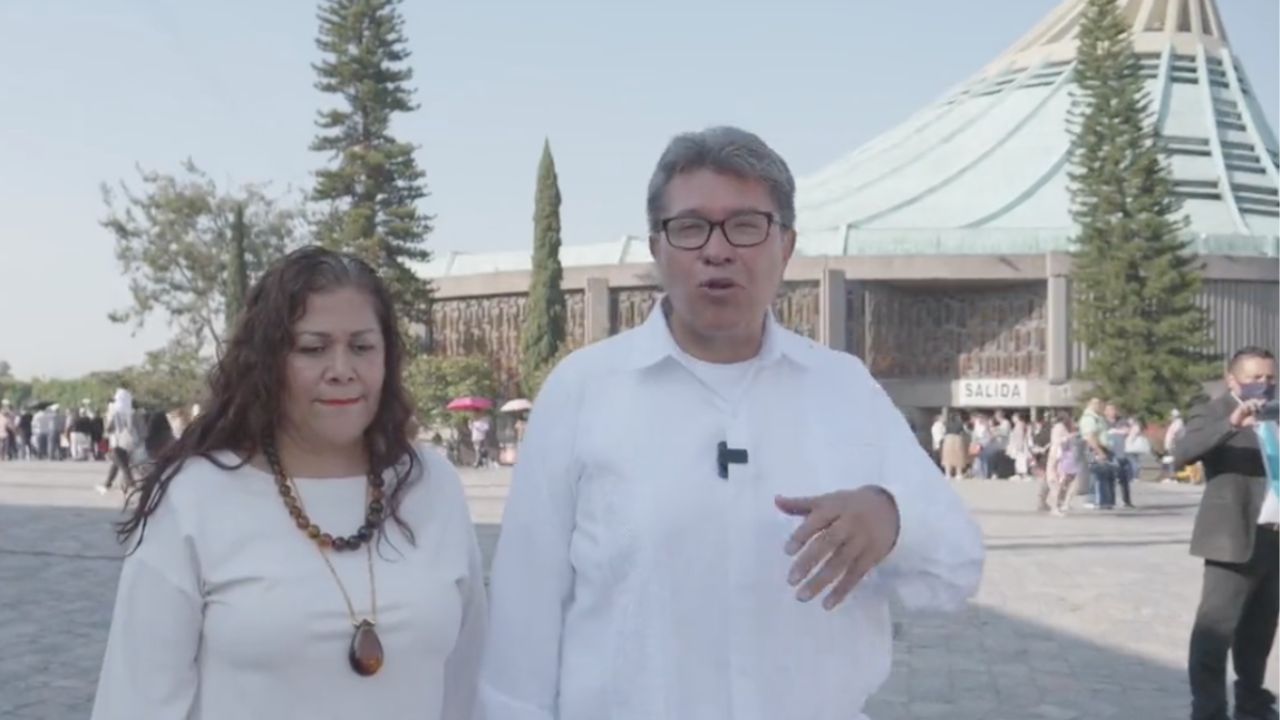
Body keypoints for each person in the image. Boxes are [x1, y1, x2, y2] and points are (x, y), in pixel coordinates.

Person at [477, 126, 984, 720]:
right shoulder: (584, 390)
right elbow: (524, 616)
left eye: (746, 225)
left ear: (786, 245)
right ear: (657, 248)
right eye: (691, 227)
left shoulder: (843, 388)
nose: (717, 251)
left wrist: (891, 517)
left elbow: (956, 565)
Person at [90, 247, 486, 720]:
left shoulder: (432, 484)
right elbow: (136, 701)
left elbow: (470, 682)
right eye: (313, 348)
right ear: (268, 362)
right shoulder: (194, 497)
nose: (341, 369)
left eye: (362, 346)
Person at [1178, 346, 1278, 720]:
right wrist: (1232, 424)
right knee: (1214, 632)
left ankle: (1252, 702)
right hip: (1231, 538)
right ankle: (1208, 709)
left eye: (1270, 377)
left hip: (1274, 538)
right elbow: (1182, 452)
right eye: (1255, 378)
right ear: (1232, 379)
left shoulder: (1277, 412)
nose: (1264, 385)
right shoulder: (1213, 410)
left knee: (1259, 632)